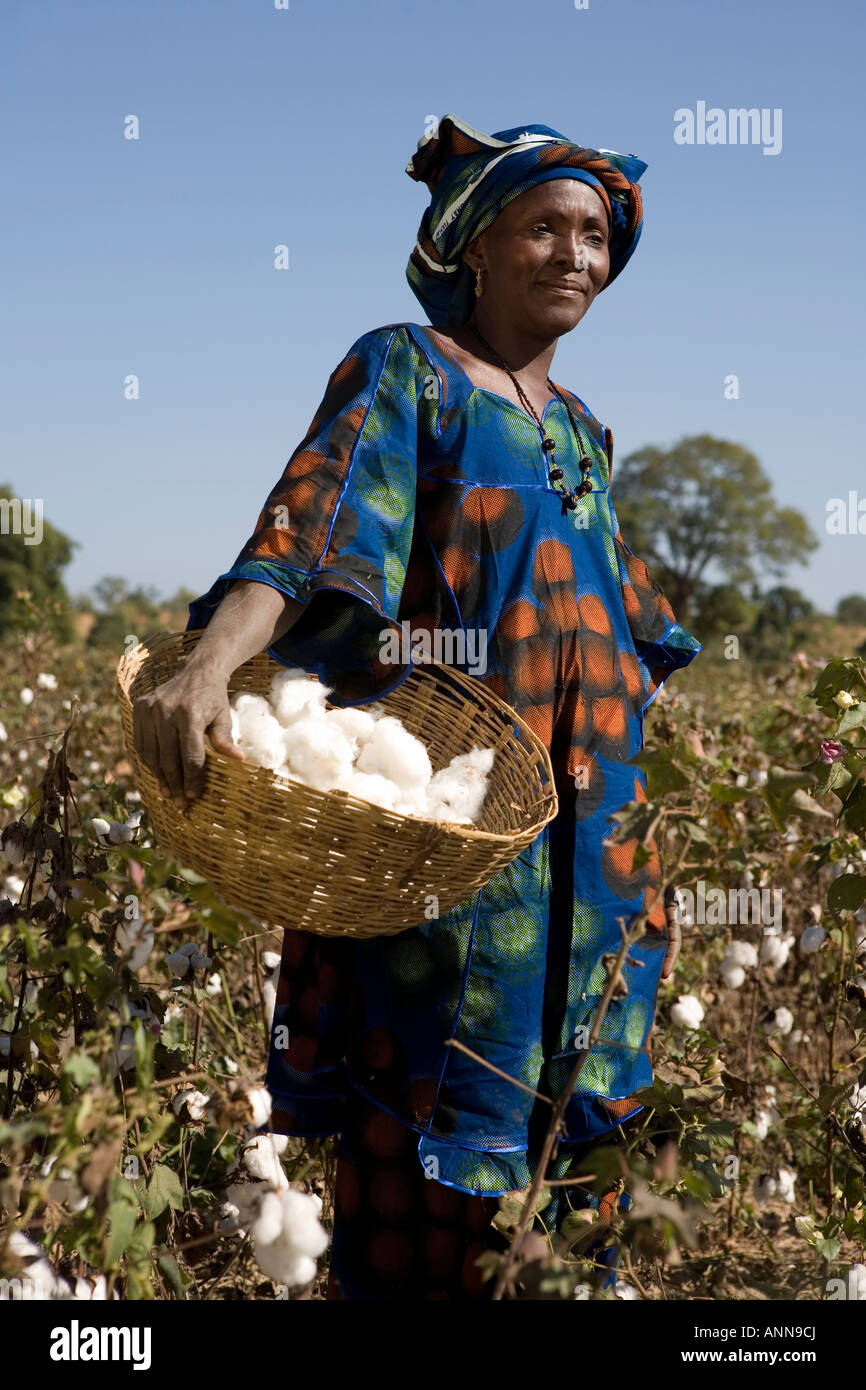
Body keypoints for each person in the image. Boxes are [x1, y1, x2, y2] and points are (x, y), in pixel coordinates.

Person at [133, 113, 701, 1300]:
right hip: (455, 854)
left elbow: (615, 641)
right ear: (473, 250)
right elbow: (303, 536)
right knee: (430, 1159)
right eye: (540, 228)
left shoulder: (584, 436)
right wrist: (205, 665)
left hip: (593, 872)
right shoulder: (410, 370)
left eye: (592, 235)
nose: (573, 255)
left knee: (565, 1182)